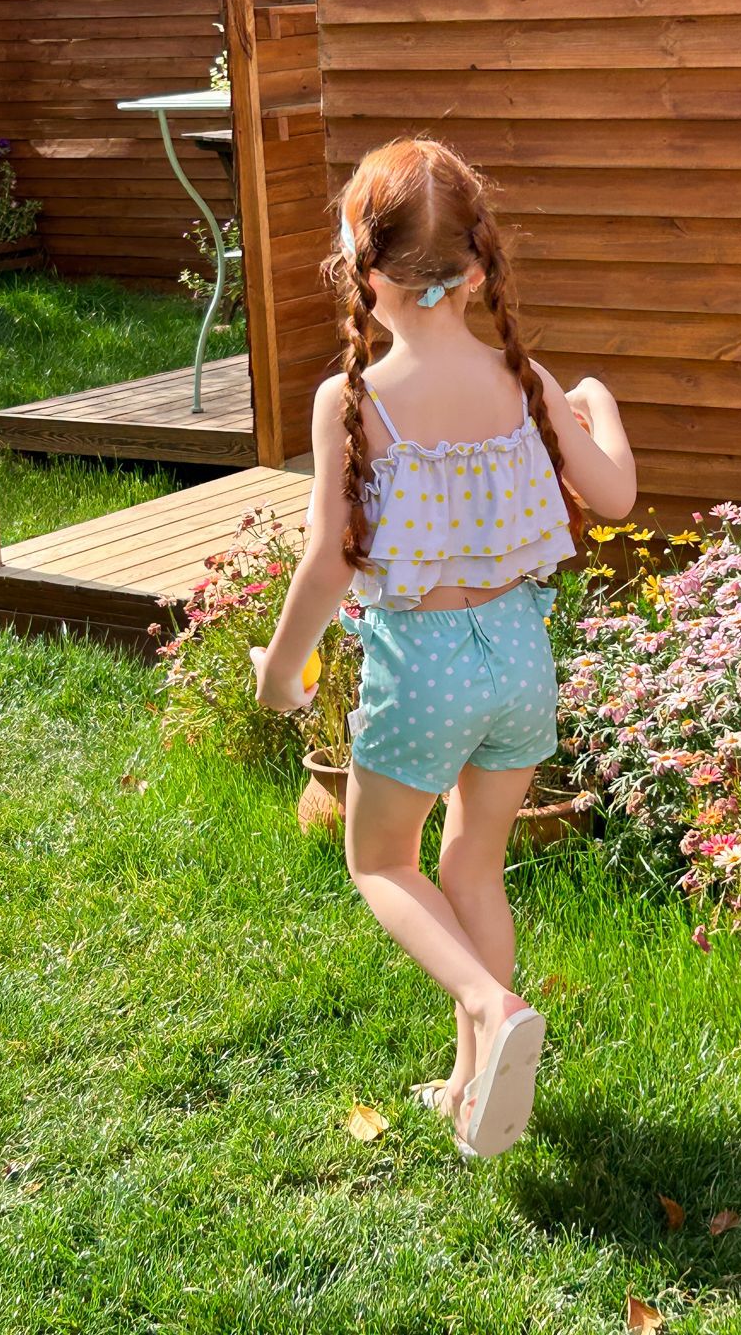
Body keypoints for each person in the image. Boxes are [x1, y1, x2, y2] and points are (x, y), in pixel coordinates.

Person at [250, 136, 636, 1160]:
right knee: (474, 865)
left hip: (425, 665)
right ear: (475, 267)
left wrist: (282, 672)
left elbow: (328, 564)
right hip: (518, 658)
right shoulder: (525, 378)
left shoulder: (354, 402)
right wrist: (599, 403)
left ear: (362, 271)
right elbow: (614, 494)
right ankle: (474, 1088)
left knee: (380, 859)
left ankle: (487, 1003)